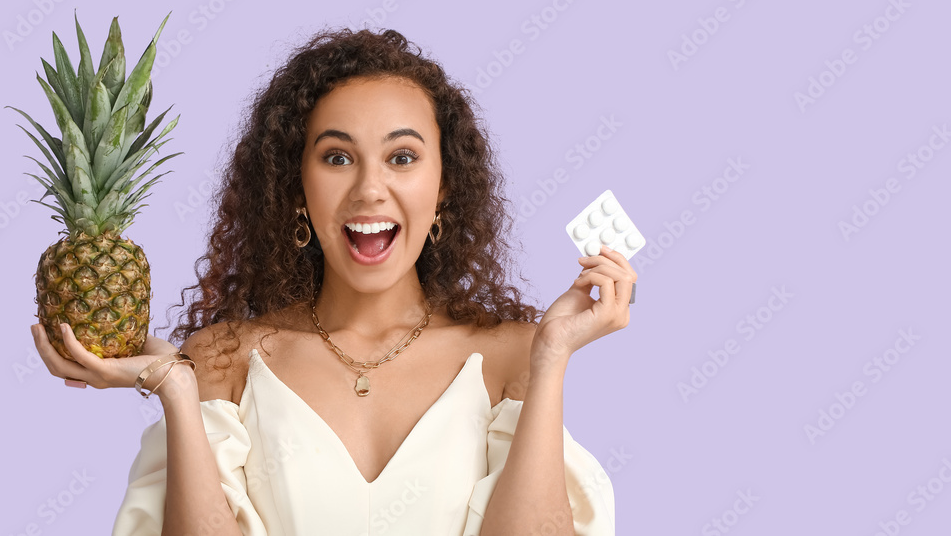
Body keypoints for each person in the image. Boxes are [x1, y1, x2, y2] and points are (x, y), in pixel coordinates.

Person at [31, 27, 635, 535]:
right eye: (337, 157)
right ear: (296, 188)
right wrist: (174, 390)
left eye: (402, 157)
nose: (370, 188)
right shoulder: (223, 359)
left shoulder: (512, 356)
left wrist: (552, 355)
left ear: (444, 186)